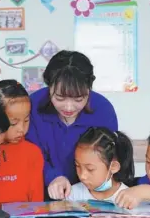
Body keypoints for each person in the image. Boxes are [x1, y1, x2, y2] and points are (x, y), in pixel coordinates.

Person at [26, 50, 118, 200]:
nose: (69, 107)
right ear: (49, 86)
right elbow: (30, 152)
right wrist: (53, 177)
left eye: (78, 99)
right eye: (60, 98)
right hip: (42, 193)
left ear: (89, 89)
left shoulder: (103, 110)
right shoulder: (33, 106)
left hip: (90, 195)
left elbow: (106, 155)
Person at [0, 80, 44, 203]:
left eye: (26, 120)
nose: (21, 129)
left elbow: (37, 203)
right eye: (13, 123)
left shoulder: (33, 153)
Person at [68, 127, 134, 202]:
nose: (82, 176)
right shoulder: (72, 194)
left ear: (113, 167)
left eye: (90, 169)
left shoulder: (128, 199)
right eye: (77, 166)